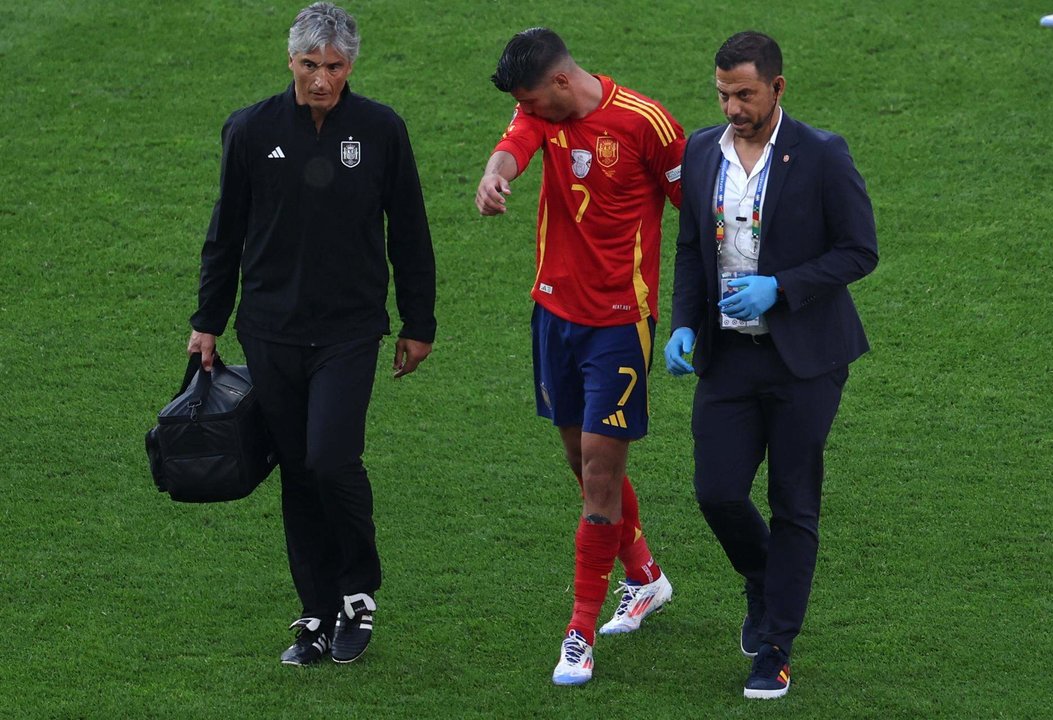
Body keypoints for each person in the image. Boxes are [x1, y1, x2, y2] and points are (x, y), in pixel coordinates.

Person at [187, 2, 436, 667]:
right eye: (309, 65)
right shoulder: (250, 130)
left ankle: (357, 595)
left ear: (350, 63)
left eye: (334, 66)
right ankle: (316, 615)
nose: (321, 80)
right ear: (289, 59)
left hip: (350, 331)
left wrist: (419, 322)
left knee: (330, 458)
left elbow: (407, 228)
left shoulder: (381, 130)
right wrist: (207, 321)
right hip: (269, 330)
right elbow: (225, 233)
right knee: (297, 472)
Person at [665, 31, 877, 699]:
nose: (731, 106)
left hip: (804, 363)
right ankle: (765, 578)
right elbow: (692, 249)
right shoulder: (701, 151)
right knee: (716, 493)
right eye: (723, 93)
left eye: (744, 94)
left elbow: (858, 250)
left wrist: (780, 287)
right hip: (728, 357)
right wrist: (681, 325)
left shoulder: (820, 154)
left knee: (793, 505)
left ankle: (775, 647)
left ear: (777, 89)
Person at [475, 28, 685, 686]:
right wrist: (492, 173)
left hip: (621, 325)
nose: (528, 111)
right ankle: (645, 576)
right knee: (579, 457)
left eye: (534, 100)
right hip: (554, 316)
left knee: (597, 470)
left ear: (562, 83)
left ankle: (579, 632)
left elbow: (699, 212)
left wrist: (696, 315)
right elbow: (514, 146)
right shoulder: (538, 111)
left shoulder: (646, 123)